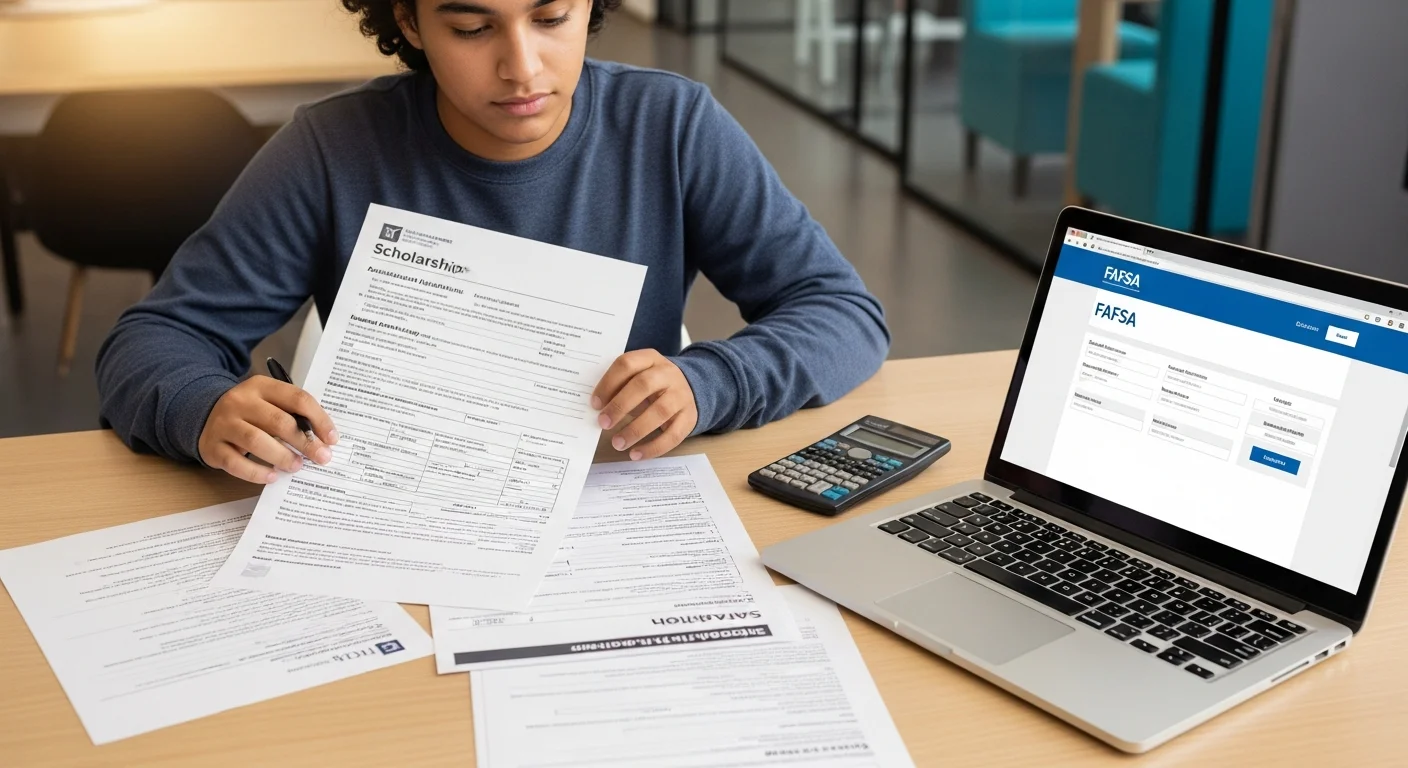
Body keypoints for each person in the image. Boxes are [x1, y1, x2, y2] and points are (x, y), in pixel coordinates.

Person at [96, 0, 889, 484]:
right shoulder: (331, 149)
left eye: (552, 18)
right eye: (473, 27)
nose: (522, 67)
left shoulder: (671, 127)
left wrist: (711, 382)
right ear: (408, 20)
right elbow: (154, 340)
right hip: (398, 507)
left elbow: (843, 314)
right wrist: (202, 408)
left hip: (616, 504)